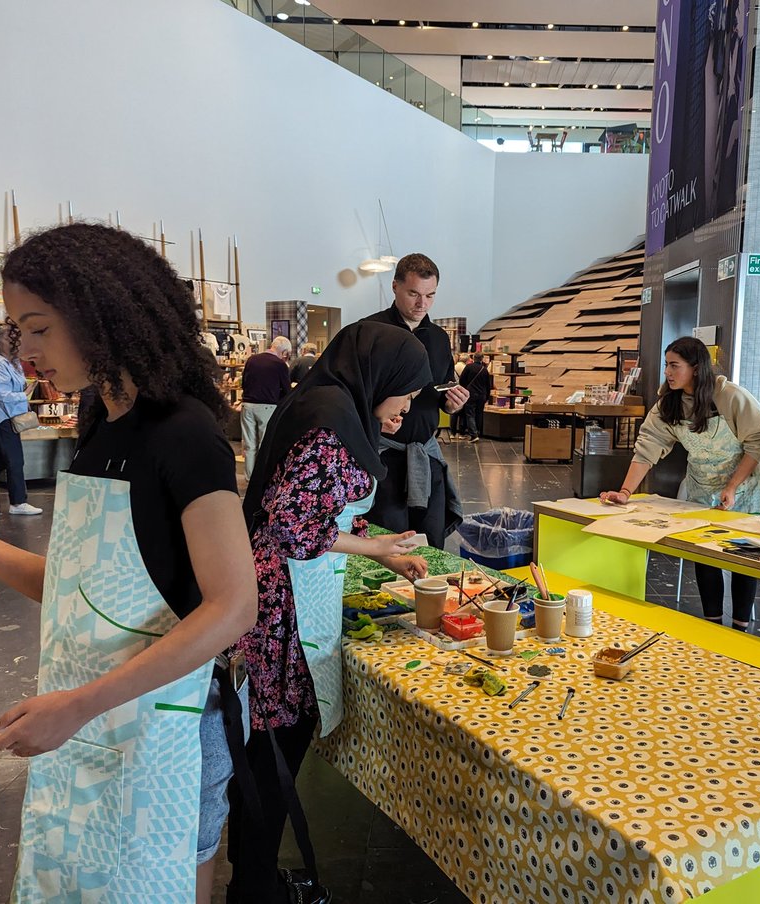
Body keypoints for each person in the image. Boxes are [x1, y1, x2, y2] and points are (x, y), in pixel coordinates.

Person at [0, 224, 257, 903]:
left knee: (165, 883)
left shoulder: (184, 435)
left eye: (37, 329)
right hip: (89, 722)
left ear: (102, 318)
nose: (24, 352)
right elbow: (71, 589)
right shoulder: (101, 423)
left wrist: (82, 706)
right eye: (17, 332)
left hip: (164, 724)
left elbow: (234, 606)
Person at [230, 321, 433, 902]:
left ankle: (255, 877)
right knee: (272, 758)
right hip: (281, 610)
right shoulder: (329, 425)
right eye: (408, 392)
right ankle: (254, 889)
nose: (407, 407)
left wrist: (380, 544)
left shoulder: (328, 402)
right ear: (383, 376)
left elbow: (322, 510)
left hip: (281, 593)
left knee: (268, 755)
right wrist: (374, 548)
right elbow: (292, 527)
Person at [599, 336, 760, 629]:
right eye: (666, 365)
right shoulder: (669, 401)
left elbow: (758, 443)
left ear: (696, 367)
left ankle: (742, 628)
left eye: (674, 365)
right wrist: (626, 491)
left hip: (743, 486)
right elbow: (648, 445)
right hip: (702, 484)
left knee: (745, 555)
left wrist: (732, 487)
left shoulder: (730, 396)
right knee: (705, 552)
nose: (668, 372)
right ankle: (713, 624)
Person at [361, 253, 467, 548]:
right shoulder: (369, 332)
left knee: (431, 542)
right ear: (395, 286)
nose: (422, 304)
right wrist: (376, 420)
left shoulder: (438, 338)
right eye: (414, 294)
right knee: (387, 541)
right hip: (384, 456)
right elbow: (353, 395)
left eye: (430, 295)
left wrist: (453, 403)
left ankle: (430, 594)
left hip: (425, 454)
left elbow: (443, 393)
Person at [0, 324, 42, 516]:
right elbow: (3, 394)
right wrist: (25, 395)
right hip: (0, 416)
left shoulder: (12, 363)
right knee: (15, 459)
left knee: (1, 459)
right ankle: (18, 502)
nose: (16, 342)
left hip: (5, 415)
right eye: (10, 338)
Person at [240, 336, 292, 479]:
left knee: (249, 445)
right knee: (264, 444)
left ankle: (249, 477)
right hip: (267, 407)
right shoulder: (280, 365)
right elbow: (287, 390)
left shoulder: (252, 359)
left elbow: (243, 383)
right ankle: (261, 477)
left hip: (247, 405)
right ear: (284, 351)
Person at [456, 352, 492, 442]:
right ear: (482, 358)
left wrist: (464, 391)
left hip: (470, 394)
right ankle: (478, 432)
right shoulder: (484, 370)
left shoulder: (469, 367)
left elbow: (462, 380)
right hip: (482, 395)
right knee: (479, 414)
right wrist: (487, 397)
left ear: (473, 358)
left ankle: (473, 434)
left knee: (470, 414)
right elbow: (488, 385)